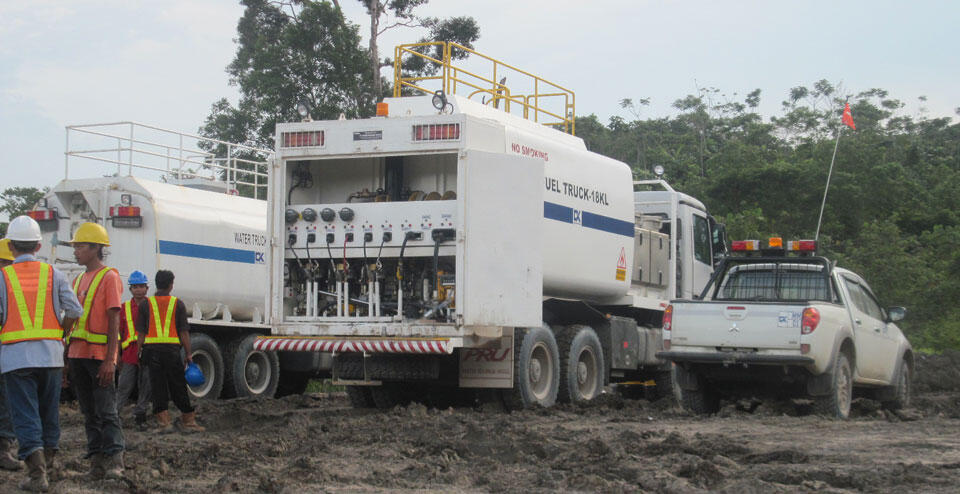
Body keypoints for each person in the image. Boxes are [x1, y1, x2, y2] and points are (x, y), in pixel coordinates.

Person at [0, 217, 82, 492]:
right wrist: (61, 332)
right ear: (38, 244)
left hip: (15, 358)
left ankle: (37, 476)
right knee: (49, 414)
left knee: (25, 416)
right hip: (51, 356)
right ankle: (50, 467)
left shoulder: (3, 277)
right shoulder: (54, 274)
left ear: (10, 246)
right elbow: (74, 311)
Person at [65, 222, 124, 480]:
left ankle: (116, 461)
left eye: (80, 246)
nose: (75, 251)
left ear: (95, 248)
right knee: (89, 413)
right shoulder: (78, 279)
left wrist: (111, 360)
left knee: (107, 412)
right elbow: (73, 322)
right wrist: (67, 359)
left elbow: (114, 322)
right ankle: (97, 464)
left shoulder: (109, 277)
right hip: (78, 356)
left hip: (98, 358)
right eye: (75, 246)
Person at [136, 270, 204, 433]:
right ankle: (188, 420)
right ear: (170, 285)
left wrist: (138, 352)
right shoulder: (177, 304)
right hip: (172, 351)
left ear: (156, 284)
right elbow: (183, 332)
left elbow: (141, 333)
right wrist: (188, 354)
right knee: (178, 385)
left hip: (152, 351)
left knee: (157, 386)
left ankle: (164, 422)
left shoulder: (146, 304)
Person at [115, 270, 151, 431]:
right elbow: (118, 333)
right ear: (130, 289)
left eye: (141, 286)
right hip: (129, 354)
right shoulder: (124, 308)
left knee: (146, 385)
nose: (138, 290)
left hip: (148, 352)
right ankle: (114, 415)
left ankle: (140, 415)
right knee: (124, 385)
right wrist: (117, 355)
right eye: (135, 287)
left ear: (147, 288)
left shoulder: (152, 307)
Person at [0, 238, 23, 472]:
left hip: (8, 352)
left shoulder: (11, 286)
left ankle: (4, 448)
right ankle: (3, 450)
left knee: (6, 400)